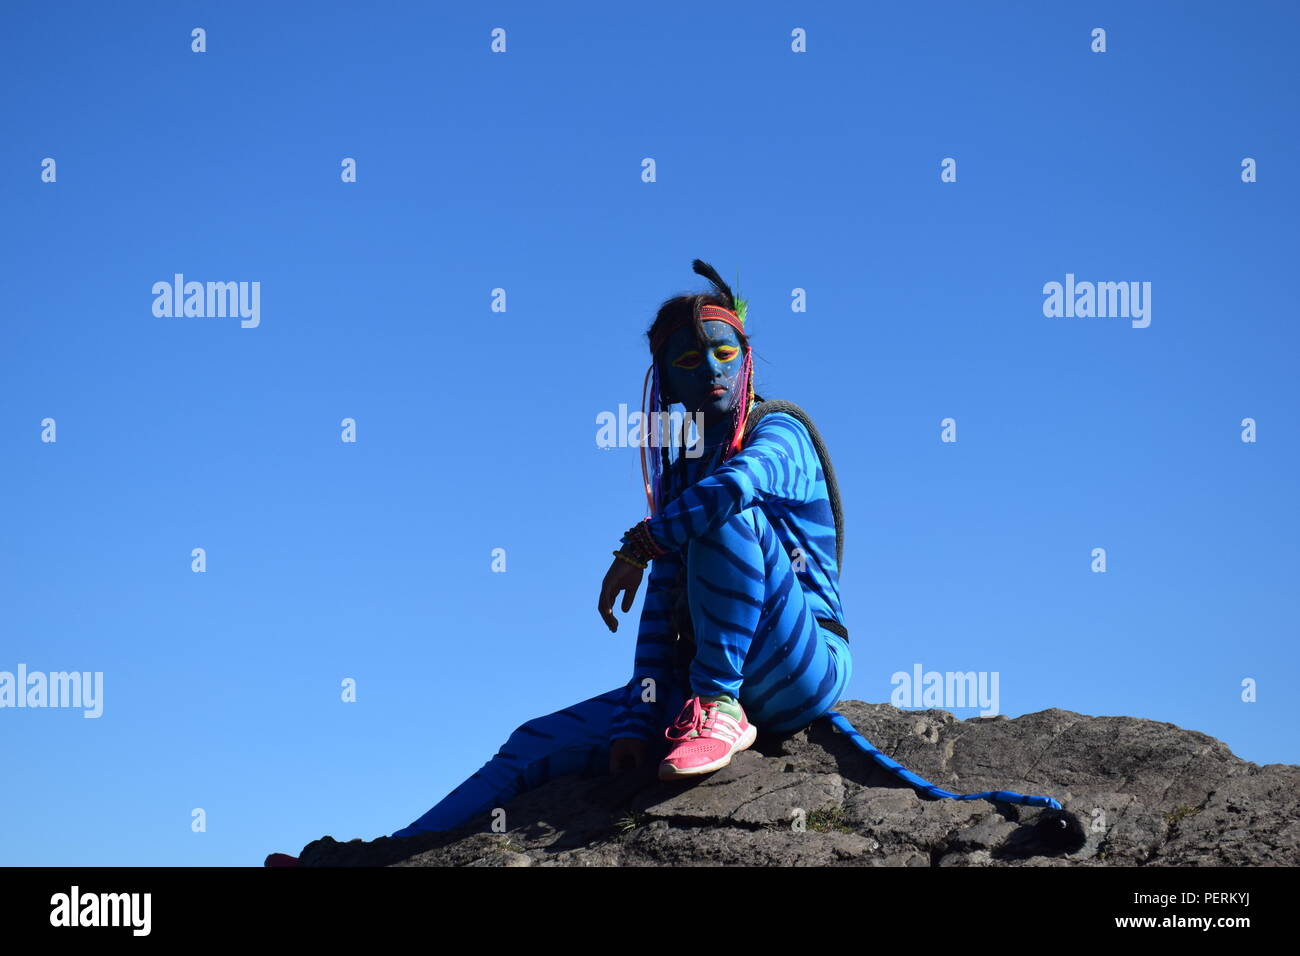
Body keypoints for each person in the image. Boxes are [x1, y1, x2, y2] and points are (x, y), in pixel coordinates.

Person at [385, 259, 853, 837]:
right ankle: (390, 850)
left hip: (800, 666)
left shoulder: (781, 430)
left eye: (724, 352)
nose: (709, 367)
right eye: (689, 359)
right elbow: (663, 599)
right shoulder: (683, 475)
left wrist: (640, 543)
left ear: (746, 357)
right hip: (693, 670)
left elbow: (735, 488)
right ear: (666, 381)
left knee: (721, 512)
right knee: (531, 741)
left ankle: (719, 706)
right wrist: (637, 716)